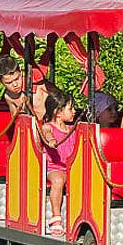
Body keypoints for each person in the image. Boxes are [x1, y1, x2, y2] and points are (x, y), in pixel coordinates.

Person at [39, 88, 81, 228]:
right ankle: (56, 216)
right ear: (58, 112)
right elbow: (46, 132)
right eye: (71, 108)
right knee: (58, 180)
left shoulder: (71, 129)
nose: (74, 111)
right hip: (54, 168)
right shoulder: (48, 126)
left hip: (70, 167)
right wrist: (51, 140)